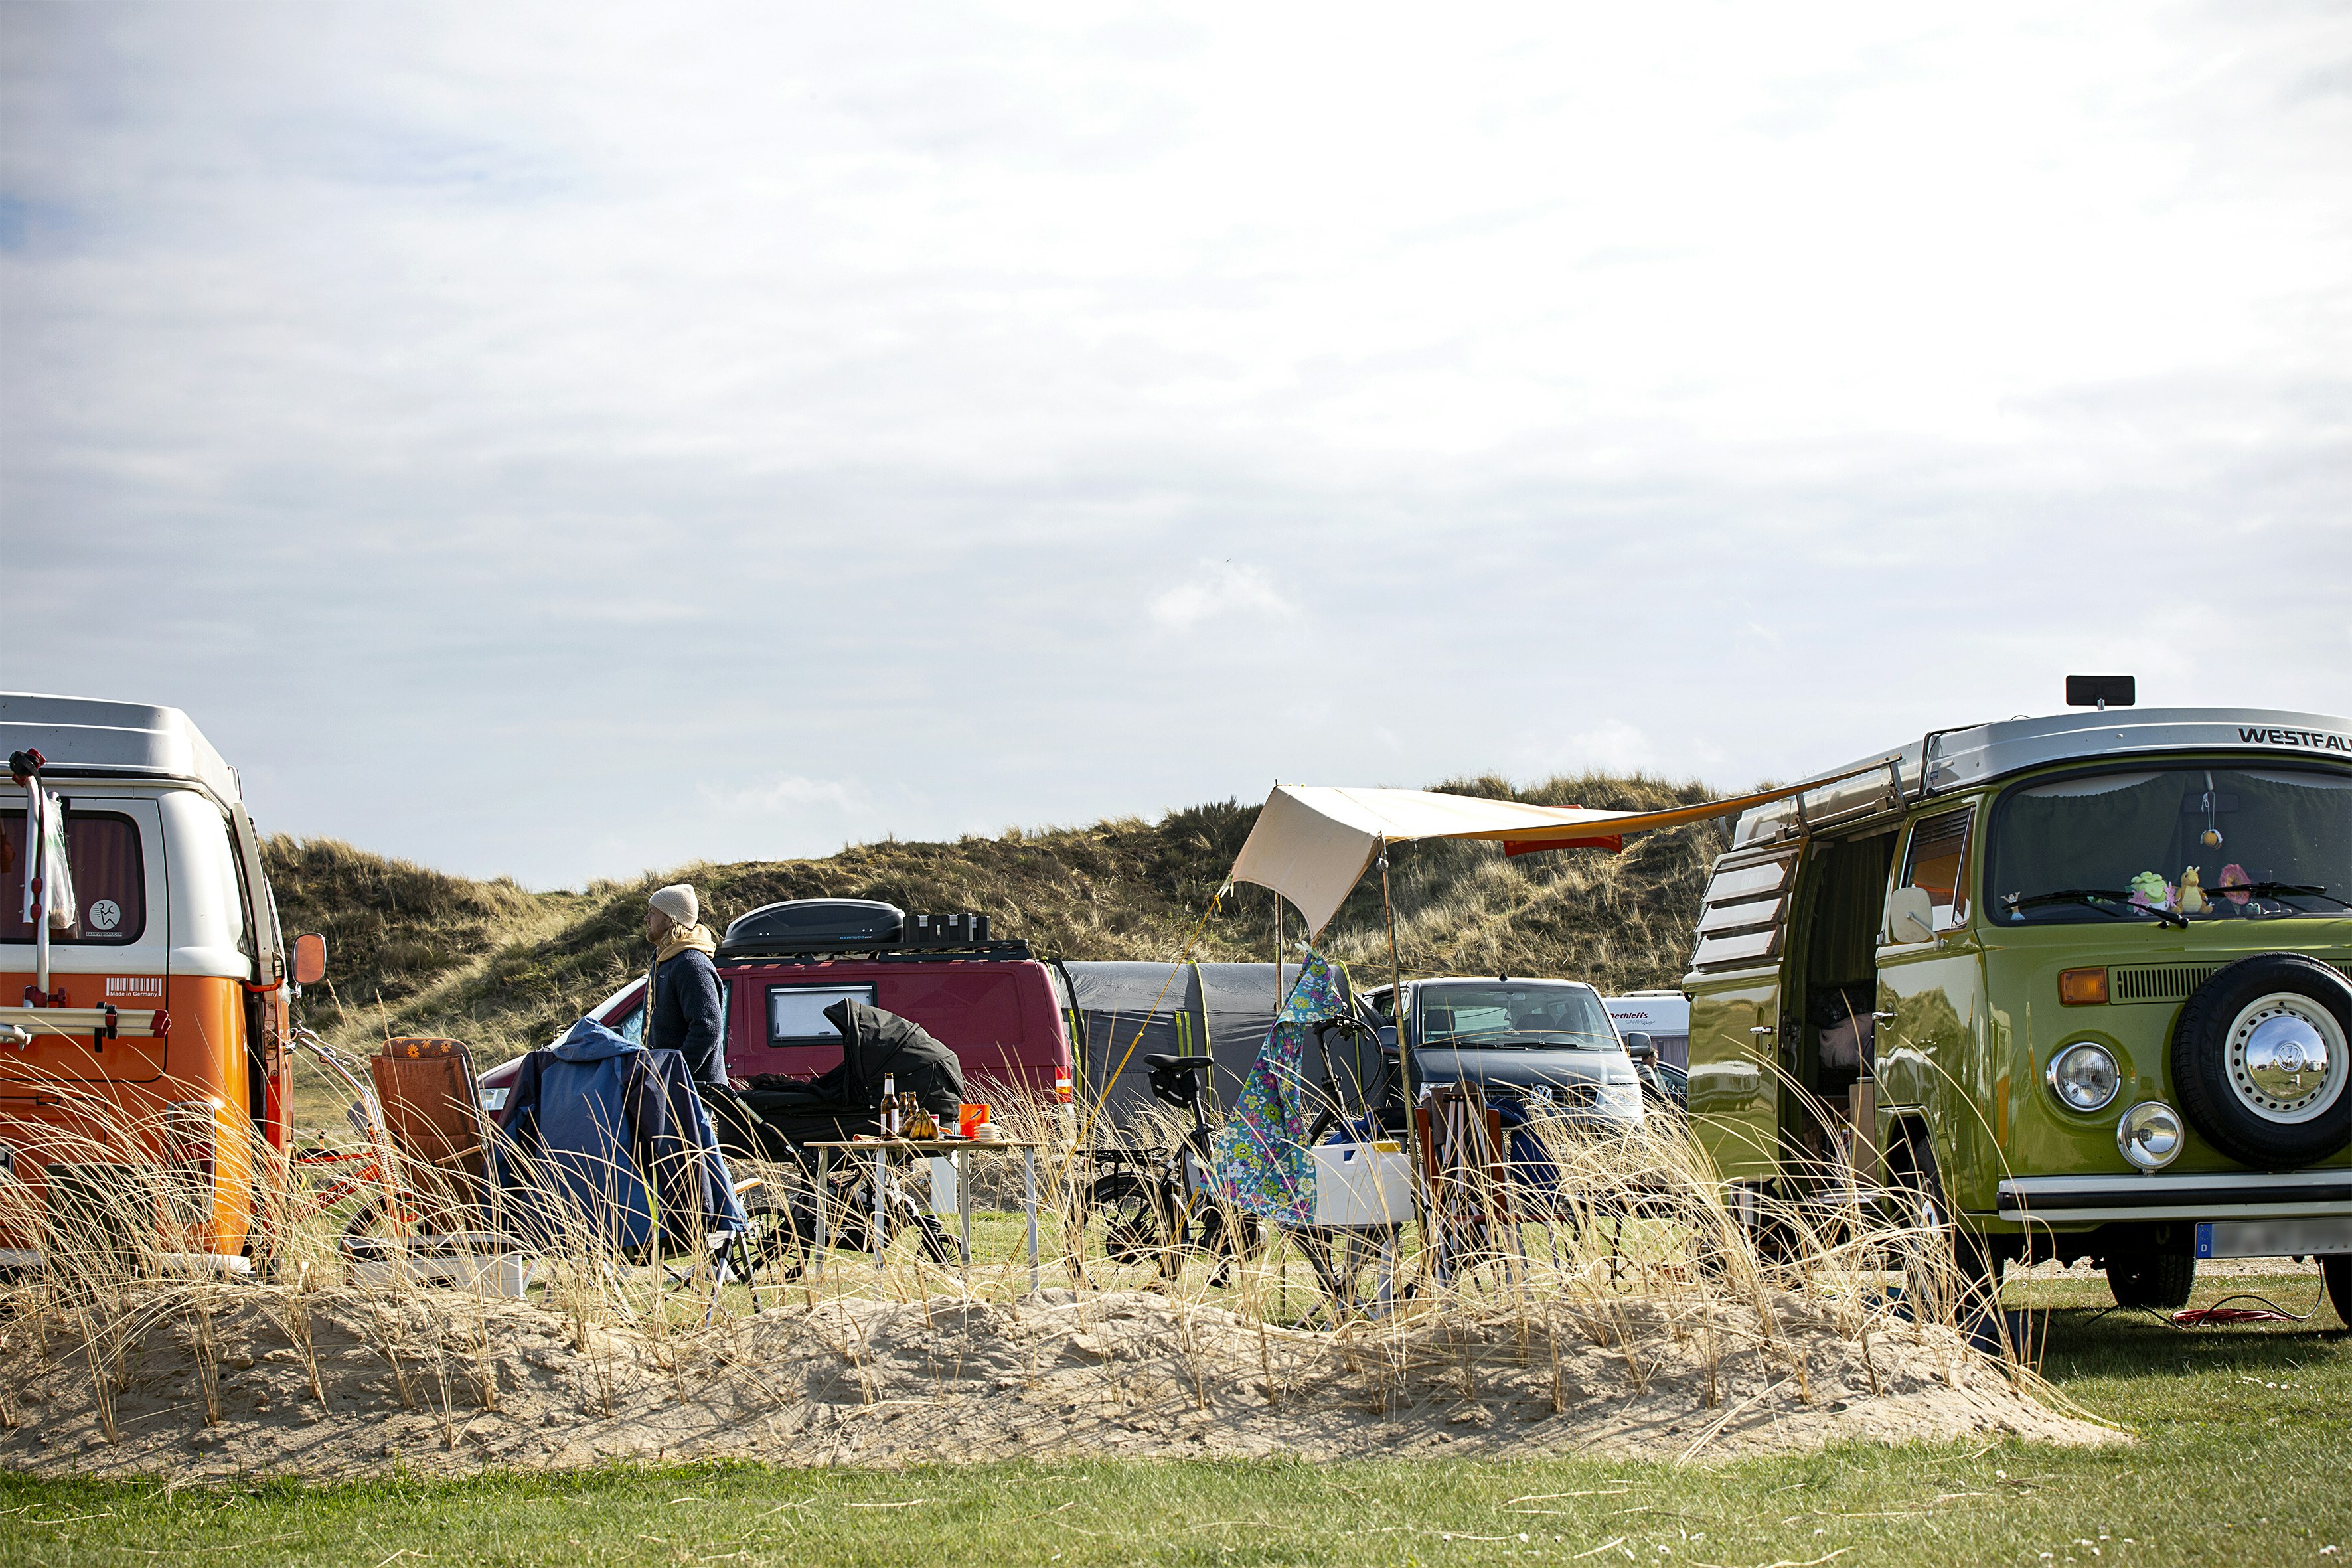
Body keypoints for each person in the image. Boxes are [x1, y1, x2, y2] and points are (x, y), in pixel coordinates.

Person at [645, 883, 725, 1086]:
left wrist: (678, 1074)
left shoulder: (690, 964)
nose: (646, 919)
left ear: (670, 920)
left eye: (652, 913)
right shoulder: (664, 960)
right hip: (672, 1088)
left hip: (696, 1093)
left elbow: (707, 1027)